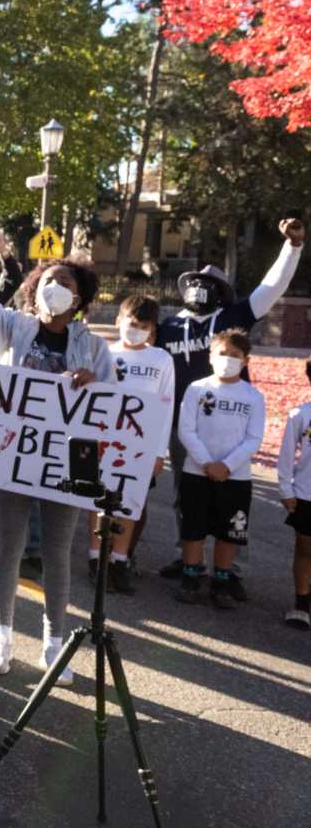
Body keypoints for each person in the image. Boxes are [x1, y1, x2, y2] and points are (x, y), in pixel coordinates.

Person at [0, 213, 111, 685]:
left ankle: (54, 643)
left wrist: (93, 384)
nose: (52, 287)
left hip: (67, 460)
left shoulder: (94, 348)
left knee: (58, 553)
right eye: (47, 280)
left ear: (78, 299)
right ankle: (2, 636)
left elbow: (115, 407)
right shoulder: (12, 329)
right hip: (13, 455)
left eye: (63, 282)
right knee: (8, 548)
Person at [157, 216, 304, 579]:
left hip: (232, 423)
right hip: (185, 425)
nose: (198, 288)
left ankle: (229, 567)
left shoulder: (235, 315)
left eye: (207, 284)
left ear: (222, 290)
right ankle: (186, 556)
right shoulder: (171, 325)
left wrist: (292, 247)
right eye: (194, 282)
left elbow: (272, 287)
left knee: (232, 497)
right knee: (185, 494)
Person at [175, 330, 264, 609]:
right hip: (196, 472)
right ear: (211, 357)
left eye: (235, 356)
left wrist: (226, 465)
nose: (228, 360)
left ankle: (221, 580)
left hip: (235, 477)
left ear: (246, 360)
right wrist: (206, 462)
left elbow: (254, 438)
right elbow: (186, 430)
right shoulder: (197, 389)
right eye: (222, 354)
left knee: (230, 531)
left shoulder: (253, 396)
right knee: (193, 528)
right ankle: (191, 576)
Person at [91, 294, 174, 593]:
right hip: (104, 440)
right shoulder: (105, 353)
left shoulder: (162, 359)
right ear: (118, 321)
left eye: (143, 325)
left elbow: (166, 405)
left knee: (130, 504)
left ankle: (119, 559)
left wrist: (159, 452)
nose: (135, 329)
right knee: (98, 501)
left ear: (152, 329)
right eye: (131, 323)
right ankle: (96, 558)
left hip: (141, 444)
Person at [276, 359, 311, 630]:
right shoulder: (300, 415)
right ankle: (301, 602)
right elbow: (287, 456)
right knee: (304, 547)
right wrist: (286, 489)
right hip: (305, 493)